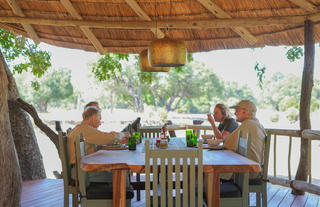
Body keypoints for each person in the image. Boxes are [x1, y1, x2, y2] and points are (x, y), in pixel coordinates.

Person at [67, 106, 128, 182]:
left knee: (119, 170)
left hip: (80, 169)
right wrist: (123, 134)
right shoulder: (85, 129)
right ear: (93, 118)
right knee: (121, 173)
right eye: (99, 118)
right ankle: (124, 193)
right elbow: (105, 138)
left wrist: (116, 140)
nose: (100, 122)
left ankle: (120, 192)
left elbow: (102, 139)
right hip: (81, 172)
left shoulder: (81, 128)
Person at [224, 100, 266, 179]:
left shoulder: (247, 124)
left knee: (210, 169)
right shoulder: (257, 124)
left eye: (237, 111)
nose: (235, 113)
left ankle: (208, 190)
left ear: (245, 112)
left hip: (248, 170)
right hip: (255, 167)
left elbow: (228, 144)